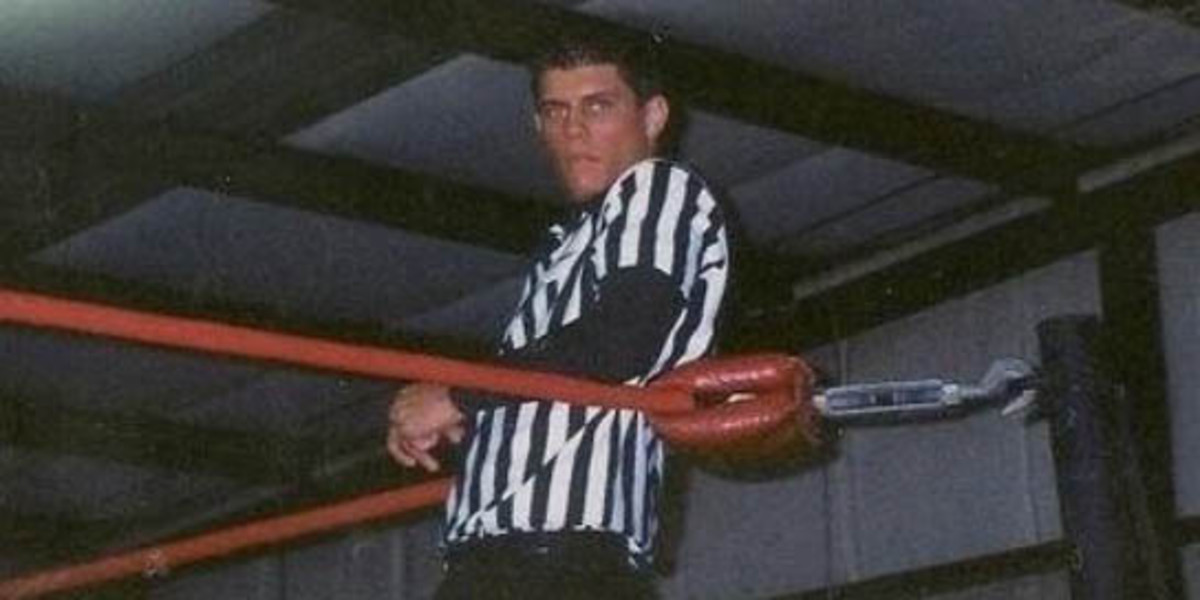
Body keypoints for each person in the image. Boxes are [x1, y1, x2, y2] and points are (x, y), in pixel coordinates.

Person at [387, 33, 729, 599]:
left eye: (598, 107)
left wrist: (457, 395)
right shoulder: (567, 244)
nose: (574, 130)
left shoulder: (655, 189)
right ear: (537, 124)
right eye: (556, 111)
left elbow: (622, 338)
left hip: (561, 560)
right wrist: (468, 422)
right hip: (501, 560)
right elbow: (567, 391)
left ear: (652, 116)